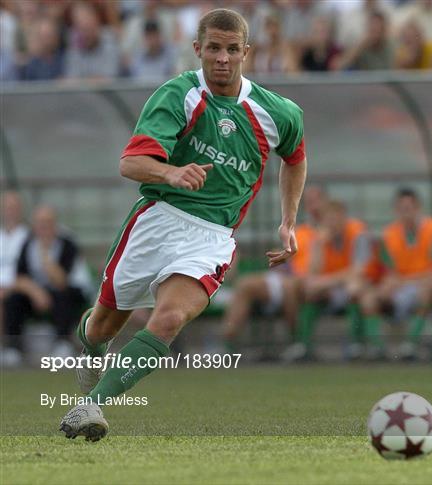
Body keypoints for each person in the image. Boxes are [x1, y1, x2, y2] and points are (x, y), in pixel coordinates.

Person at [59, 8, 307, 442]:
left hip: (212, 238)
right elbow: (130, 163)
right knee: (102, 327)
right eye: (214, 48)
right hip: (157, 222)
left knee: (169, 317)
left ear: (246, 52)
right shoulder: (178, 95)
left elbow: (296, 158)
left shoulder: (278, 112)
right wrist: (171, 172)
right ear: (198, 50)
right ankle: (91, 347)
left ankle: (91, 405)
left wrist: (289, 220)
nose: (223, 58)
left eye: (232, 50)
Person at [222, 186, 326, 355]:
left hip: (307, 282)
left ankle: (298, 343)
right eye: (308, 202)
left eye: (316, 201)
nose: (311, 206)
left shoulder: (330, 233)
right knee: (245, 284)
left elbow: (316, 269)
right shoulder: (300, 231)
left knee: (290, 286)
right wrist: (280, 256)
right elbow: (288, 256)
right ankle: (228, 345)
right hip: (287, 277)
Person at [358, 188, 432, 360]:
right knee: (368, 299)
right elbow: (387, 272)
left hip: (423, 286)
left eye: (409, 208)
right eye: (401, 209)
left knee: (426, 291)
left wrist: (405, 281)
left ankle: (411, 346)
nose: (406, 213)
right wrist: (389, 284)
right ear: (396, 211)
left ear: (418, 208)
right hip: (400, 287)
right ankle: (378, 349)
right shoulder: (390, 234)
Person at [282, 199, 377, 362]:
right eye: (329, 219)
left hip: (361, 284)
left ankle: (359, 345)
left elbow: (358, 271)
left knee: (354, 289)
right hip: (334, 286)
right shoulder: (320, 238)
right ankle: (303, 346)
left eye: (336, 219)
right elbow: (312, 274)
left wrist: (327, 281)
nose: (333, 224)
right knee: (309, 291)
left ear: (344, 218)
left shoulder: (358, 233)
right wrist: (317, 245)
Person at [3, 205, 87, 360]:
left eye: (47, 223)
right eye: (40, 223)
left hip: (64, 291)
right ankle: (13, 347)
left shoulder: (67, 244)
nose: (43, 228)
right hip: (37, 292)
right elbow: (20, 277)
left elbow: (61, 280)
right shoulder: (27, 244)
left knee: (64, 296)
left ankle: (63, 343)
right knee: (14, 299)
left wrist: (45, 255)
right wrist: (36, 292)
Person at [0, 191, 29, 366]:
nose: (10, 211)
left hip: (18, 286)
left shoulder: (27, 236)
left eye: (14, 208)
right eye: (7, 208)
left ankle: (9, 347)